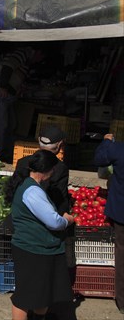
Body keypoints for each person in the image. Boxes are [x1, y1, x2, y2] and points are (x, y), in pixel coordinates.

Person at [5, 150, 75, 320]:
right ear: (48, 171)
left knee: (42, 292)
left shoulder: (31, 186)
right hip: (32, 250)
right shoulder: (32, 192)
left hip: (39, 249)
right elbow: (54, 221)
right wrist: (67, 220)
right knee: (25, 296)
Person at [0, 47, 43, 162]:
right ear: (37, 52)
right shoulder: (21, 54)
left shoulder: (27, 63)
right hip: (0, 90)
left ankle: (6, 152)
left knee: (11, 123)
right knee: (0, 122)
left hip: (8, 95)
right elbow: (7, 67)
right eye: (40, 57)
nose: (39, 60)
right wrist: (3, 86)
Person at [94, 133, 124, 314]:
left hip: (121, 212)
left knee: (122, 253)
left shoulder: (118, 149)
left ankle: (122, 301)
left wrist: (106, 141)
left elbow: (98, 159)